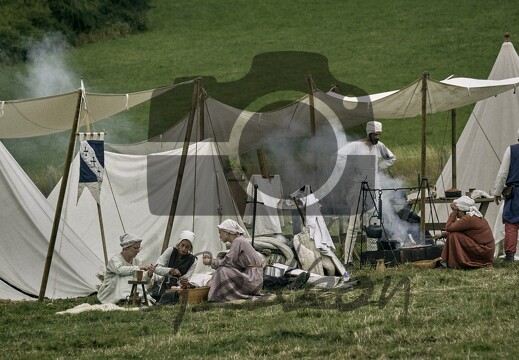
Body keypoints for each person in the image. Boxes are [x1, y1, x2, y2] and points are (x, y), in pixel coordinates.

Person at [339, 120, 397, 264]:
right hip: (359, 189)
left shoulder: (379, 147)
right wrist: (350, 169)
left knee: (374, 225)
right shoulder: (355, 146)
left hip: (375, 190)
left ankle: (371, 257)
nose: (377, 137)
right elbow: (338, 156)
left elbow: (392, 158)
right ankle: (348, 259)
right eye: (375, 134)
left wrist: (379, 167)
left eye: (379, 134)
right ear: (369, 133)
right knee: (354, 226)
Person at [203, 219, 267, 302]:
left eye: (220, 233)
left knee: (223, 270)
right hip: (255, 278)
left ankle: (218, 296)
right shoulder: (240, 240)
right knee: (224, 269)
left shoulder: (238, 241)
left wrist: (210, 261)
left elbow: (227, 262)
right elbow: (232, 264)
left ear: (227, 232)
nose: (219, 236)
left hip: (253, 279)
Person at [433, 196, 494, 269]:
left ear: (461, 210)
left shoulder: (468, 219)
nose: (457, 215)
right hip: (486, 250)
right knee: (454, 234)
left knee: (454, 236)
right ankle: (445, 262)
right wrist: (442, 235)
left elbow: (449, 227)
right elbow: (462, 232)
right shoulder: (472, 217)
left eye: (458, 212)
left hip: (484, 250)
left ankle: (450, 263)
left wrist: (454, 212)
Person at [97, 233, 155, 304]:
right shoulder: (115, 260)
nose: (138, 251)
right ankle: (125, 299)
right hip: (112, 292)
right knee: (125, 277)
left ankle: (138, 298)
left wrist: (149, 274)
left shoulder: (136, 261)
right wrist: (139, 267)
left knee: (134, 278)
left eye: (139, 248)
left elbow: (140, 281)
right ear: (126, 247)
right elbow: (120, 270)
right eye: (135, 248)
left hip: (129, 291)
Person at [150, 230, 198, 302]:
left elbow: (187, 278)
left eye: (187, 247)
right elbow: (156, 268)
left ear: (190, 248)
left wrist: (183, 280)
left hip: (178, 289)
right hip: (162, 285)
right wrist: (170, 271)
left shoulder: (193, 260)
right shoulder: (170, 251)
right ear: (179, 244)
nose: (184, 249)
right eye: (182, 245)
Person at [493, 130, 519, 261]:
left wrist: (497, 192)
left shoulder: (511, 150)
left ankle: (510, 255)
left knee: (512, 223)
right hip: (515, 192)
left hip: (516, 194)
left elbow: (503, 174)